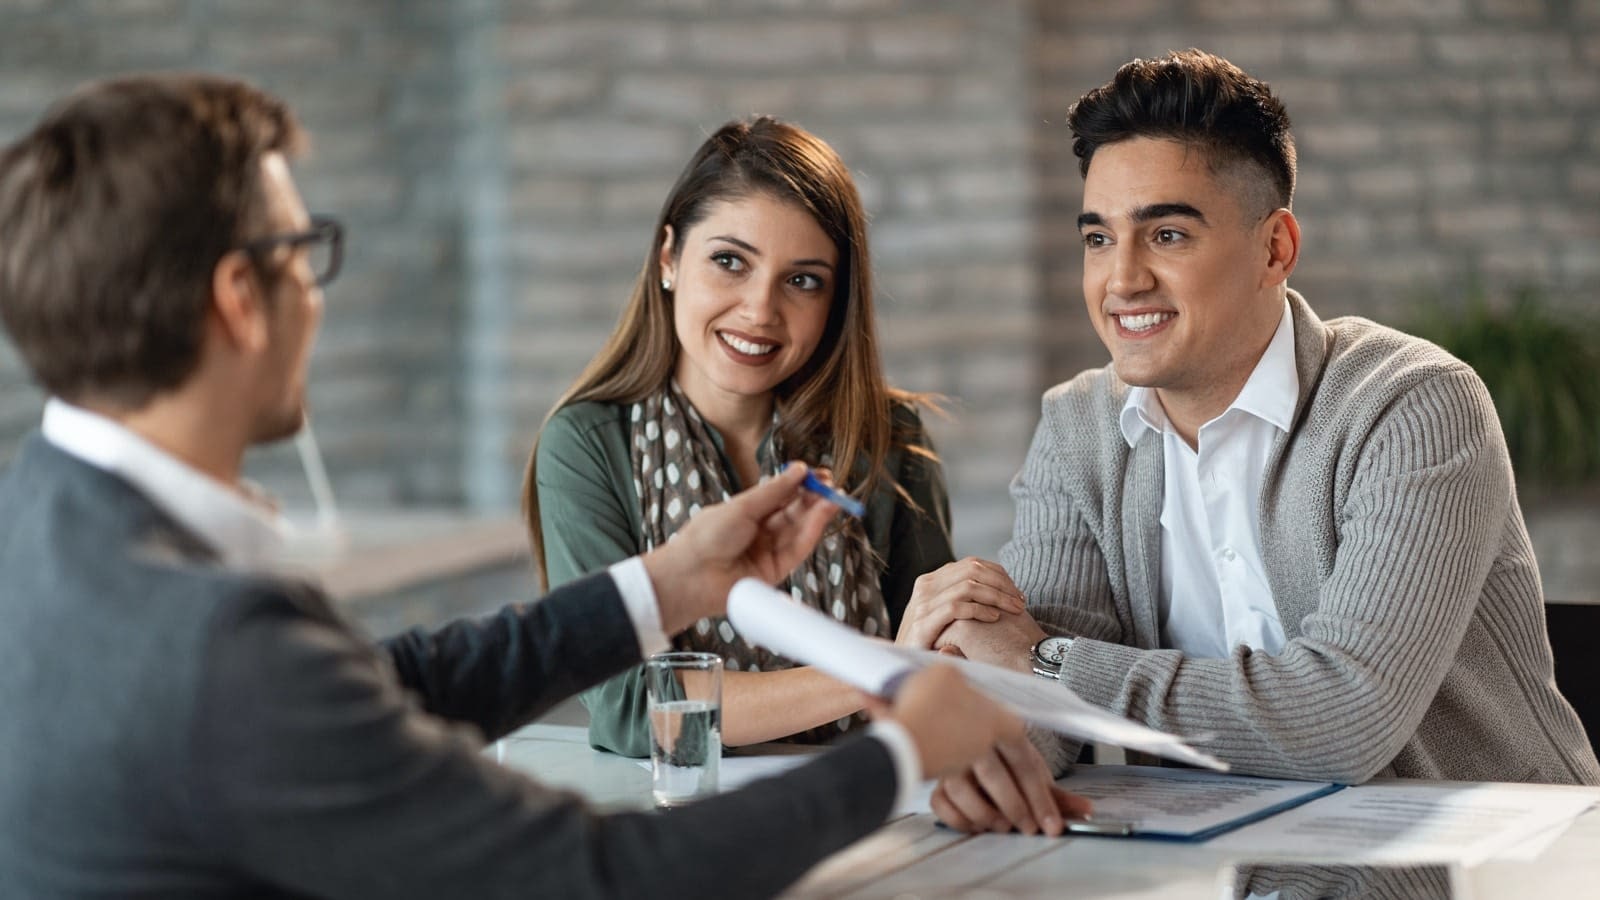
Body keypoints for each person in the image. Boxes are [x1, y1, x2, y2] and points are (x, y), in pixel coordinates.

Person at [0, 74, 1076, 900]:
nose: (315, 297)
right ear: (242, 298)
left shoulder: (47, 526)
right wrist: (897, 748)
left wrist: (669, 584)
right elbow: (598, 876)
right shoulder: (218, 646)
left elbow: (391, 681)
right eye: (304, 255)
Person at [918, 49, 1600, 833]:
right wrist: (986, 743)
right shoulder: (1078, 428)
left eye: (1166, 234)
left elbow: (1346, 718)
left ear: (1275, 248)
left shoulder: (1412, 405)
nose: (1122, 280)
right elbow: (1038, 699)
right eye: (1098, 239)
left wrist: (1044, 662)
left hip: (1492, 857)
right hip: (1222, 858)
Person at [525, 116, 995, 756]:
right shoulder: (587, 444)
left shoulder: (887, 438)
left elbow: (939, 664)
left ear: (835, 301)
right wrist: (877, 668)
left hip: (869, 794)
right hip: (684, 806)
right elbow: (634, 709)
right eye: (729, 262)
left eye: (802, 280)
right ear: (669, 258)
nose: (759, 310)